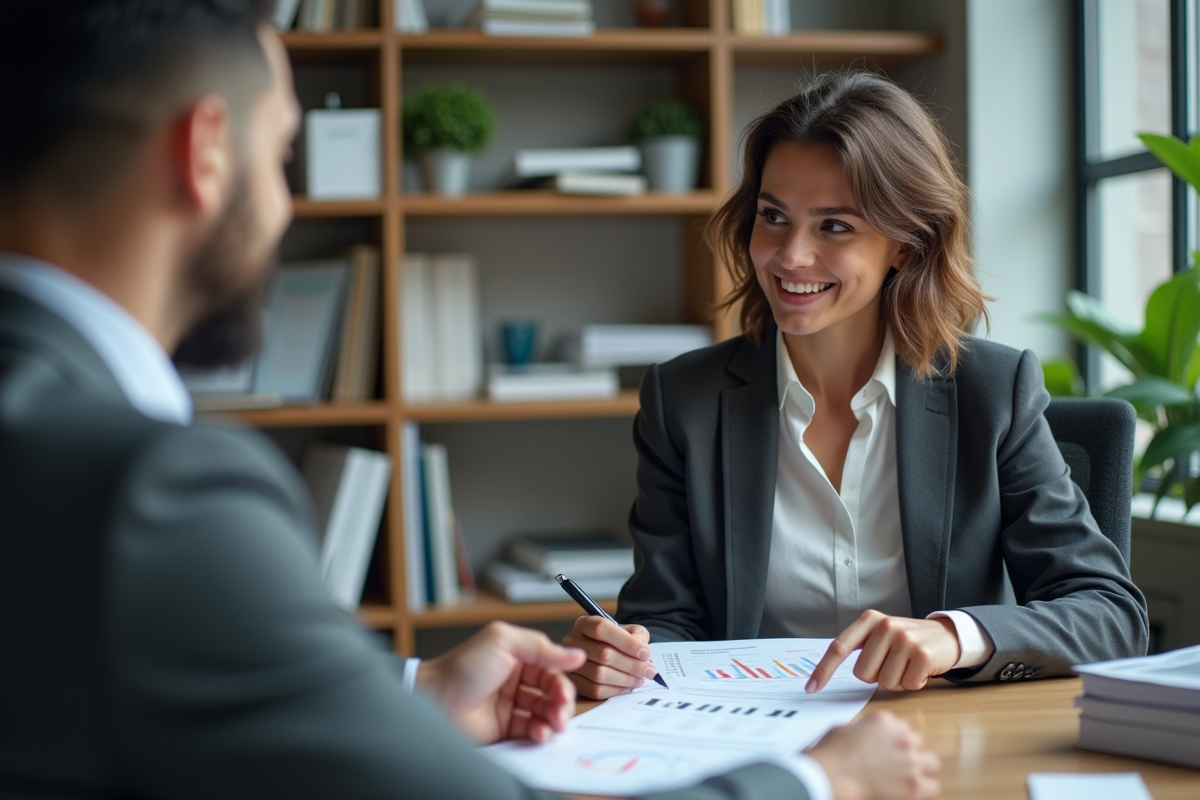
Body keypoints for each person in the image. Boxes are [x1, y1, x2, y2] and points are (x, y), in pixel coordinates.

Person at [0, 4, 939, 799]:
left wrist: (411, 689)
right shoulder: (153, 489)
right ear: (207, 152)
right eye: (281, 155)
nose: (285, 207)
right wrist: (821, 781)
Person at [565, 71, 1149, 701]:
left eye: (834, 226)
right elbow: (669, 618)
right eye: (773, 217)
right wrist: (624, 654)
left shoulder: (992, 391)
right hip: (754, 742)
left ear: (903, 242)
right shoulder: (684, 402)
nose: (791, 256)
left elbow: (1110, 615)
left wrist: (953, 637)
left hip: (939, 745)